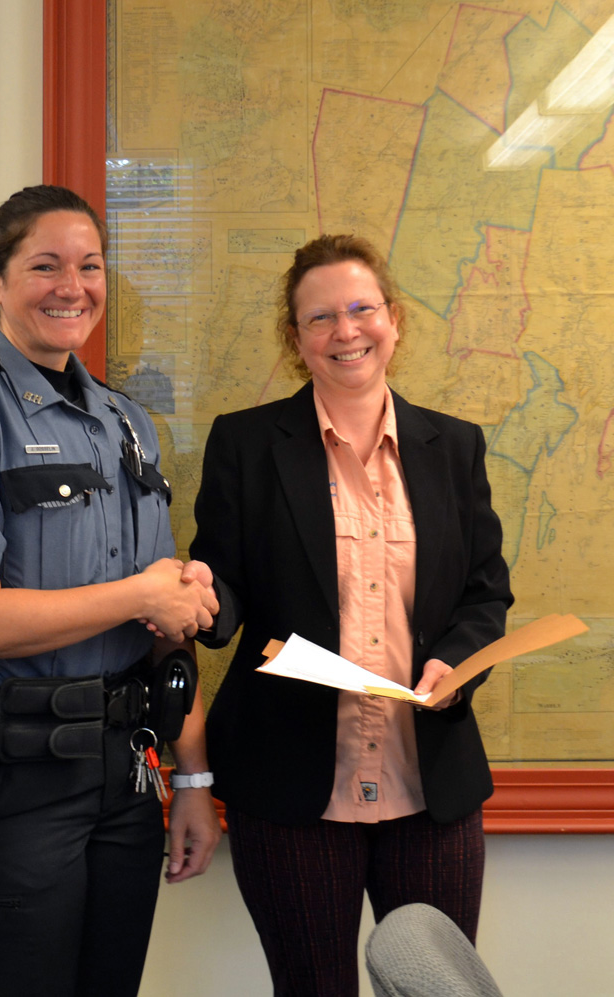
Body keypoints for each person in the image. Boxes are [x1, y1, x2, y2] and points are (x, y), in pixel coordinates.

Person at [0, 184, 221, 997]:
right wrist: (140, 591)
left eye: (89, 265)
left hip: (125, 770)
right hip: (15, 783)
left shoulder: (126, 423)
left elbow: (163, 629)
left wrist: (192, 780)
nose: (71, 286)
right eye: (44, 265)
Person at [187, 234, 513, 996]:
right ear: (296, 340)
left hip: (430, 785)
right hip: (294, 785)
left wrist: (456, 665)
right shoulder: (245, 443)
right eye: (321, 318)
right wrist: (202, 593)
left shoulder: (455, 447)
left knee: (434, 986)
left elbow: (484, 592)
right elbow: (225, 593)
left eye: (362, 309)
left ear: (393, 320)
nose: (346, 331)